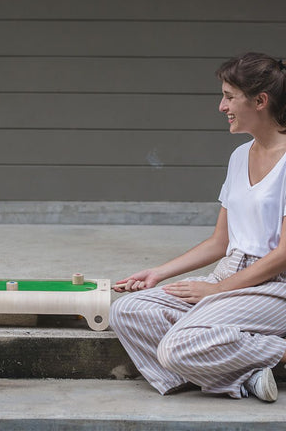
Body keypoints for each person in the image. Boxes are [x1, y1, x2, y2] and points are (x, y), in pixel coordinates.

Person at [110, 52, 286, 402]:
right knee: (128, 311)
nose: (222, 106)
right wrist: (159, 272)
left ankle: (275, 355)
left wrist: (218, 292)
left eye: (229, 96)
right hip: (231, 270)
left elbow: (284, 254)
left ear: (261, 101)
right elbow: (221, 242)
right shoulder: (240, 157)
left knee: (176, 347)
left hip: (273, 285)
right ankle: (244, 376)